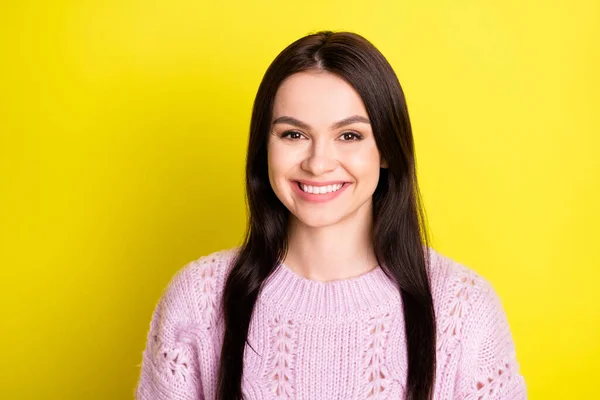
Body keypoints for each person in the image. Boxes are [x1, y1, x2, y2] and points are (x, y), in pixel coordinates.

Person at [134, 31, 526, 400]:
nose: (319, 163)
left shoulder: (464, 308)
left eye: (349, 136)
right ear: (264, 148)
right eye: (293, 134)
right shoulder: (198, 300)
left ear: (387, 149)